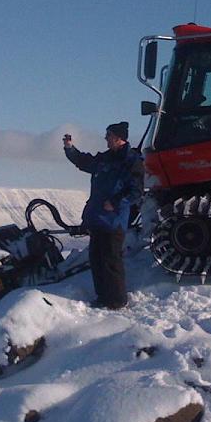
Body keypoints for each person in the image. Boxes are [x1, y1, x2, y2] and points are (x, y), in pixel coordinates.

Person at [63, 122, 144, 309]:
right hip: (97, 218)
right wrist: (70, 149)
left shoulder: (132, 161)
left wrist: (115, 202)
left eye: (108, 135)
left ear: (118, 137)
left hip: (113, 221)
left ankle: (117, 300)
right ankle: (103, 297)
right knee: (97, 259)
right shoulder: (105, 159)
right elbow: (84, 161)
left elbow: (136, 192)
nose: (106, 139)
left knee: (111, 261)